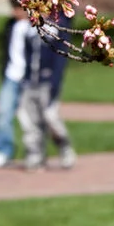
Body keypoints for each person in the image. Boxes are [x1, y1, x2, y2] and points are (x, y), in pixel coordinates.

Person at [18, 10, 76, 171]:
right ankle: (34, 155)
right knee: (29, 120)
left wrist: (54, 81)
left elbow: (60, 57)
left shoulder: (57, 27)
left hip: (47, 81)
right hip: (30, 81)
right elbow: (25, 53)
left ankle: (64, 147)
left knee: (50, 117)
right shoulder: (30, 26)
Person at [0, 0, 32, 168]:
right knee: (4, 114)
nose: (15, 12)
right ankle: (4, 151)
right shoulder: (10, 25)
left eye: (18, 8)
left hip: (29, 79)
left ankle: (33, 152)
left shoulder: (36, 27)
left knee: (30, 119)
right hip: (11, 76)